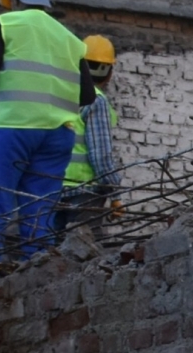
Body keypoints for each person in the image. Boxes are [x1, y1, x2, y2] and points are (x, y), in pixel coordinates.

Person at [0, 0, 96, 263]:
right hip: (57, 135)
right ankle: (35, 265)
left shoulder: (7, 24)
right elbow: (88, 95)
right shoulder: (71, 40)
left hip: (12, 127)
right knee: (40, 204)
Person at [55, 35, 124, 239]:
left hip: (51, 185)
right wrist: (115, 194)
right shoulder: (96, 100)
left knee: (51, 249)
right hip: (84, 192)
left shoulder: (61, 92)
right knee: (86, 251)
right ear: (109, 71)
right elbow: (100, 155)